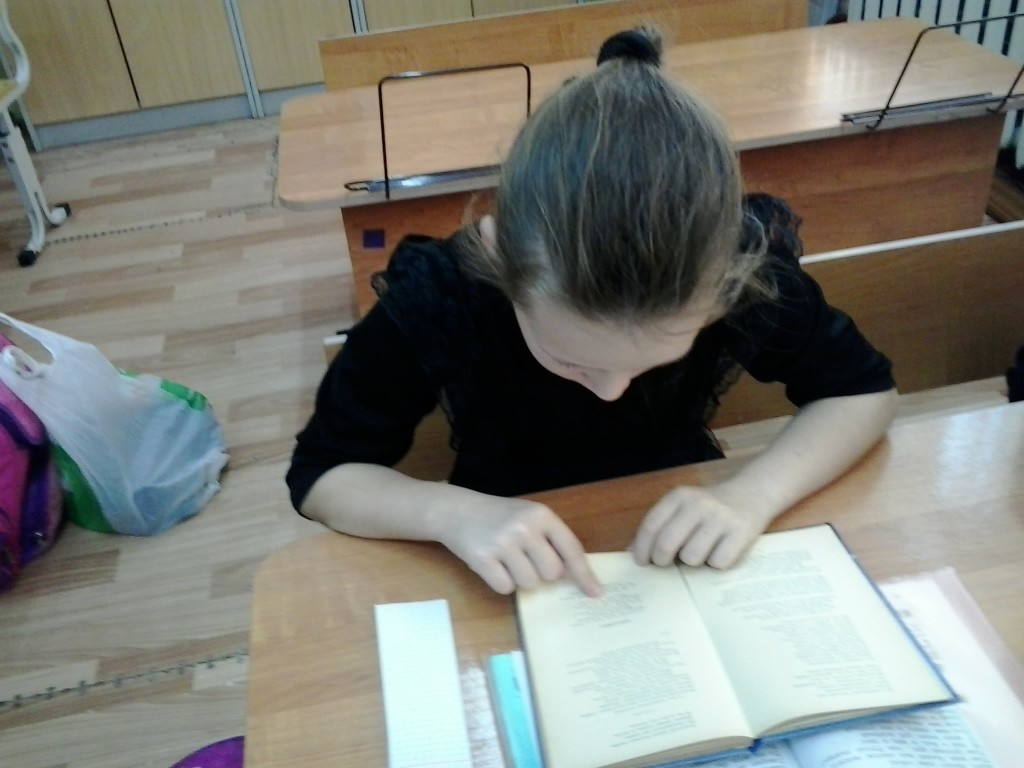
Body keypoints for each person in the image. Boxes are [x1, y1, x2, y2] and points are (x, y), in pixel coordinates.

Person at [286, 27, 898, 598]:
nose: (611, 392)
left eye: (654, 361)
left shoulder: (739, 271)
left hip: (676, 523)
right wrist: (448, 513)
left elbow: (861, 390)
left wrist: (753, 495)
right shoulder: (444, 293)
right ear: (498, 255)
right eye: (571, 359)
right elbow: (324, 474)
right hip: (501, 537)